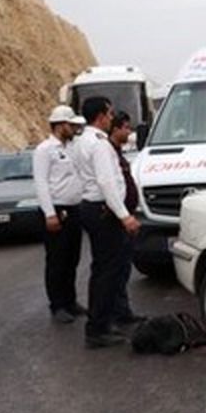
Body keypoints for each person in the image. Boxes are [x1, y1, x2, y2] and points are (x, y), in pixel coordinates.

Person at [74, 96, 140, 348]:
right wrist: (125, 216)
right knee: (107, 272)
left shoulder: (83, 141)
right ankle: (98, 328)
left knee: (102, 270)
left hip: (93, 208)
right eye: (110, 114)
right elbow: (106, 182)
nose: (112, 118)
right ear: (101, 116)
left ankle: (105, 321)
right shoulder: (100, 144)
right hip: (103, 210)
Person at [32, 105, 87, 324]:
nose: (74, 129)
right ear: (60, 125)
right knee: (57, 260)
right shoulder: (45, 149)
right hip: (57, 209)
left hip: (74, 209)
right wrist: (49, 213)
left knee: (72, 258)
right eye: (71, 125)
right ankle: (58, 305)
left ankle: (71, 300)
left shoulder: (72, 147)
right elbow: (41, 183)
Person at [108, 111, 144, 328]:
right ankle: (115, 314)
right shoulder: (106, 151)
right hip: (116, 219)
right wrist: (124, 216)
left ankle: (122, 311)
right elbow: (107, 185)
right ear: (115, 129)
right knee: (114, 268)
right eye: (126, 128)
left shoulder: (116, 152)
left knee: (122, 268)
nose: (129, 132)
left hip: (124, 215)